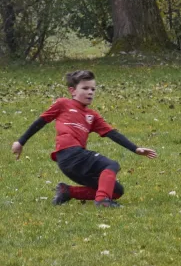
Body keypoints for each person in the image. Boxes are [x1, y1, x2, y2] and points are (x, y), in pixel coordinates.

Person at [11, 70, 158, 208]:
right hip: (69, 153)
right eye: (85, 88)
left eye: (93, 89)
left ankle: (67, 191)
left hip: (73, 163)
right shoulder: (63, 104)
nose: (90, 92)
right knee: (111, 165)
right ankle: (102, 201)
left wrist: (136, 148)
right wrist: (21, 141)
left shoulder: (92, 115)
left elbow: (112, 133)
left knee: (116, 190)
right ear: (72, 91)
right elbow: (41, 121)